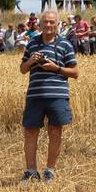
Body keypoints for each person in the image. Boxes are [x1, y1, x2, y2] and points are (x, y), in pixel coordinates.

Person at [19, 10, 77, 183]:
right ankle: (31, 171)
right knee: (30, 132)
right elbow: (22, 69)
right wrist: (31, 61)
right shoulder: (32, 44)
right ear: (40, 24)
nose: (48, 25)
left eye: (52, 22)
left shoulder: (65, 45)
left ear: (57, 24)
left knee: (55, 131)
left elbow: (75, 72)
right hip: (35, 95)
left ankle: (50, 171)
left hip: (57, 96)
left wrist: (55, 68)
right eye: (45, 22)